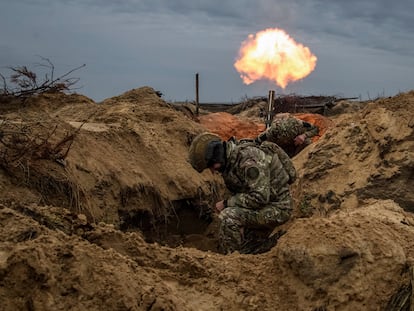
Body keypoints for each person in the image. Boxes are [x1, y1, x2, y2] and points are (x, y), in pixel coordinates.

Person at [188, 132, 296, 254]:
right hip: (266, 205)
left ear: (216, 160)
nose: (213, 171)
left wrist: (227, 203)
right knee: (248, 243)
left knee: (228, 216)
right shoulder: (232, 158)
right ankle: (262, 246)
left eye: (211, 167)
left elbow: (259, 197)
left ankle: (234, 260)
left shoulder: (249, 160)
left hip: (278, 208)